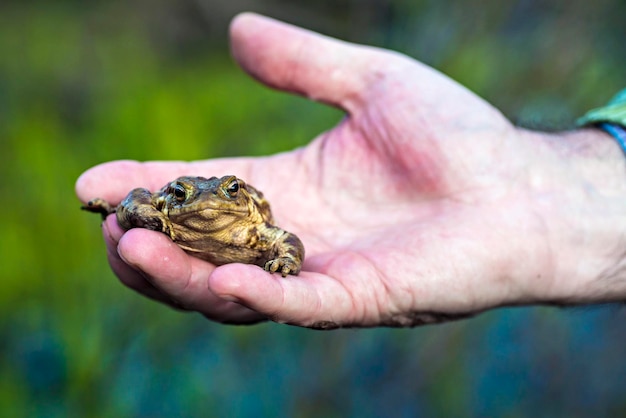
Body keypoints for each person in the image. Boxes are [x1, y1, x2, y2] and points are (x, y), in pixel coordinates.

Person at [75, 13, 626, 329]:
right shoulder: (165, 209)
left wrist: (285, 262)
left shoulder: (248, 223)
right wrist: (129, 208)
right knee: (131, 213)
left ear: (241, 199)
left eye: (226, 191)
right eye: (188, 195)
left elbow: (282, 238)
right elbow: (139, 199)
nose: (207, 198)